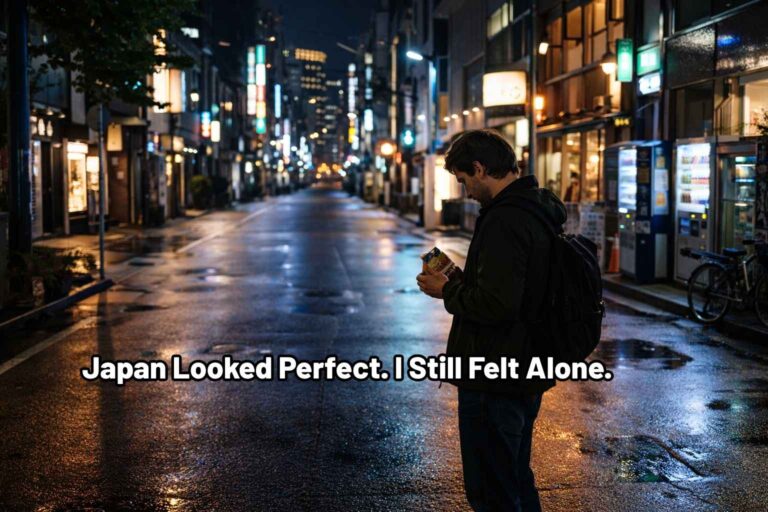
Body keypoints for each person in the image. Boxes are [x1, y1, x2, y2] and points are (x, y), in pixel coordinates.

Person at [416, 129, 567, 512]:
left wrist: (445, 291)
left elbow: (496, 305)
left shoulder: (504, 220)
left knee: (492, 491)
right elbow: (513, 290)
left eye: (464, 179)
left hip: (494, 373)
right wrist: (459, 279)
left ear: (480, 168)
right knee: (515, 478)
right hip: (524, 365)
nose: (465, 190)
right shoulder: (535, 208)